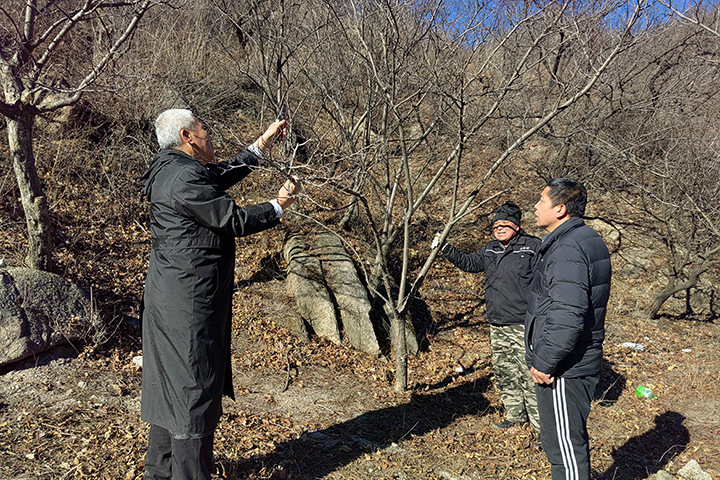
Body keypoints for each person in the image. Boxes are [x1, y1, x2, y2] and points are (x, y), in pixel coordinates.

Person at [140, 108, 301, 480]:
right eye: (203, 128)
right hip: (188, 304)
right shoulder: (184, 177)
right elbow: (233, 220)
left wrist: (262, 143)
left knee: (170, 387)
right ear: (187, 136)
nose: (208, 133)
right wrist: (279, 205)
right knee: (192, 389)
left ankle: (159, 473)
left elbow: (220, 175)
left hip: (169, 297)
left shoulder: (171, 169)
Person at [525, 178, 611, 480]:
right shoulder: (583, 238)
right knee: (564, 444)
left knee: (564, 450)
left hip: (565, 367)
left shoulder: (567, 248)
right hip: (571, 361)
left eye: (542, 201)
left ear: (560, 209)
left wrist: (545, 361)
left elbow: (567, 314)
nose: (536, 206)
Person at [433, 201, 541, 436]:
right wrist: (445, 248)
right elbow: (469, 263)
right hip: (497, 323)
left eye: (505, 224)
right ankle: (515, 416)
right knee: (505, 372)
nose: (499, 228)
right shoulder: (490, 249)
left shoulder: (534, 247)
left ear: (517, 226)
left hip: (523, 324)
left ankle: (540, 427)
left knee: (527, 373)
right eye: (495, 225)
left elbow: (545, 284)